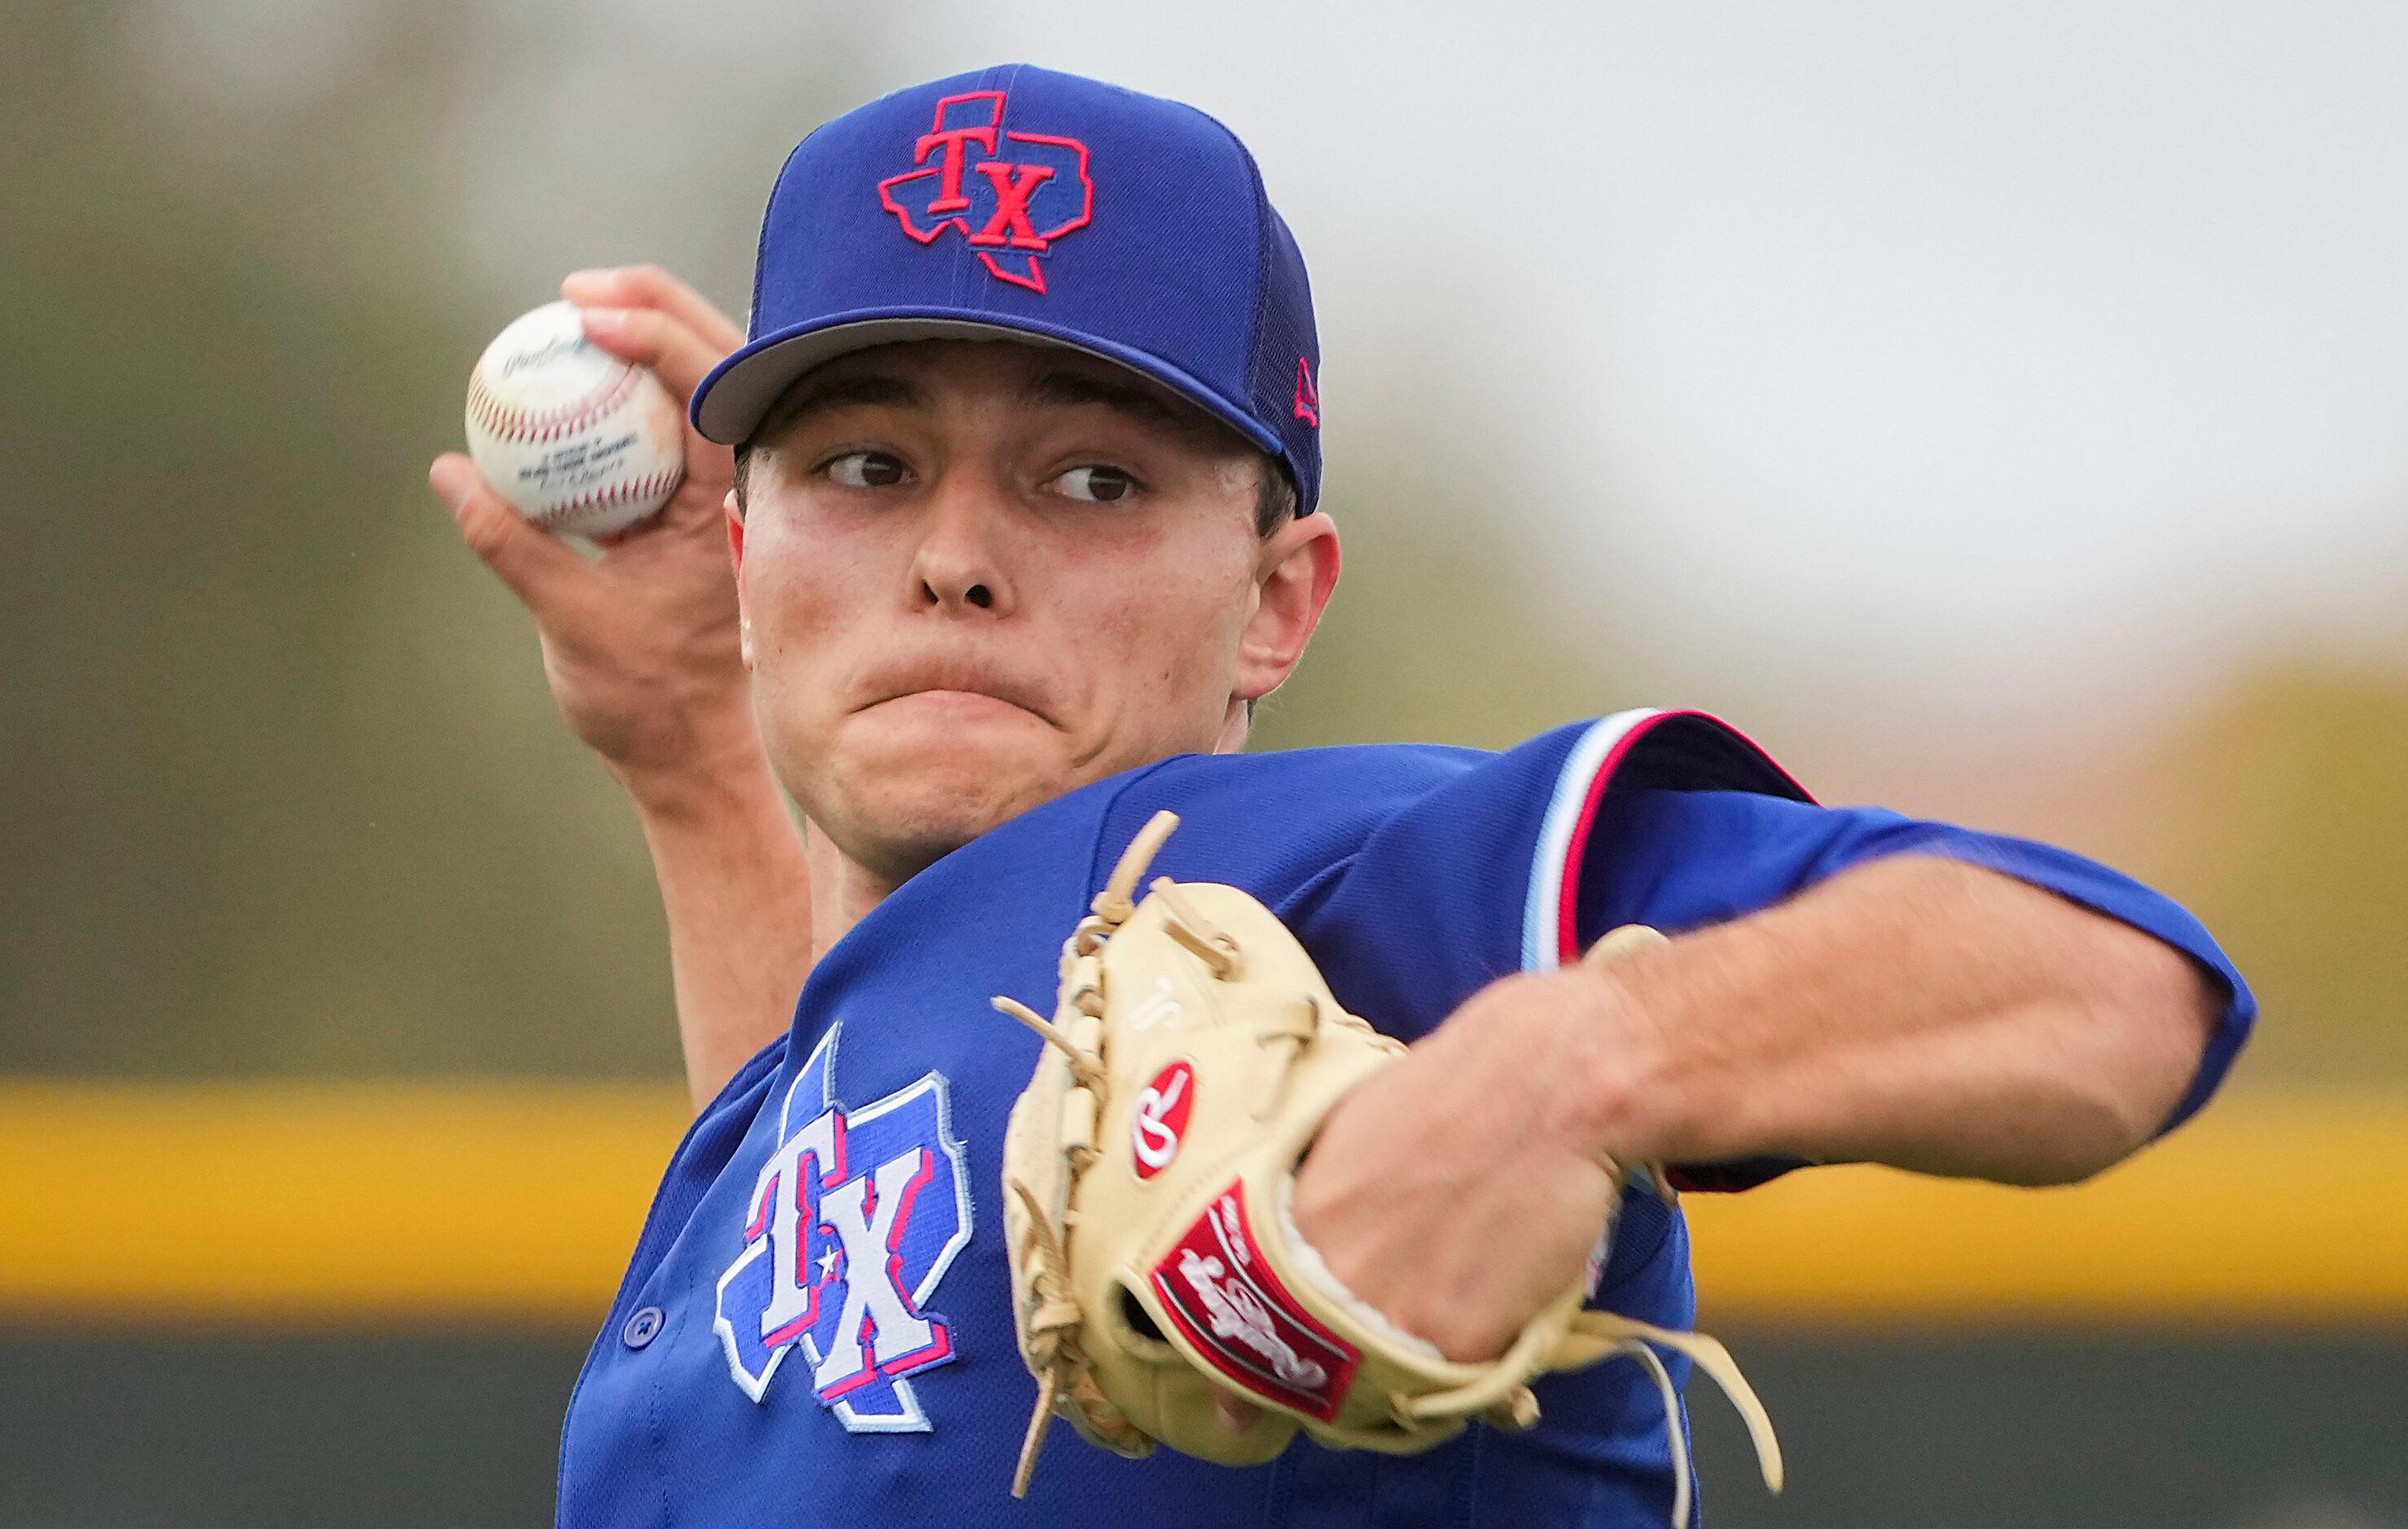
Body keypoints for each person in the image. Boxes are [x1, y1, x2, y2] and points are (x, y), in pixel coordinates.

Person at [426, 65, 2252, 1529]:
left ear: (1276, 602)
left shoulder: (1315, 879)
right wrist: (683, 748)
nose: (958, 557)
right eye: (870, 464)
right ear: (747, 554)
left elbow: (2112, 985)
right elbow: (848, 1254)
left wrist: (1578, 1062)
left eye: (1090, 483)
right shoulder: (821, 1086)